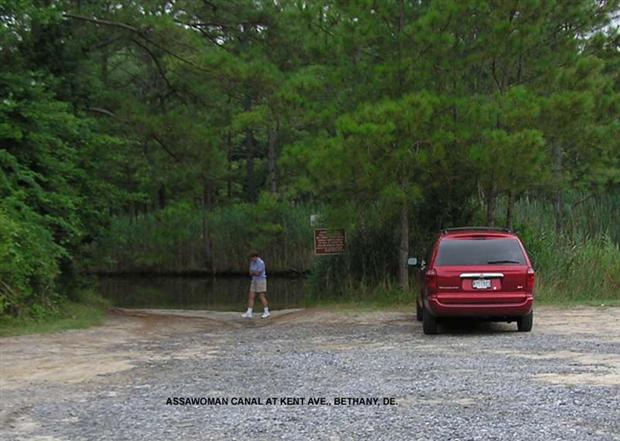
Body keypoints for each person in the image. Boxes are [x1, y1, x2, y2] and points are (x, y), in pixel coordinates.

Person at [242, 251, 270, 319]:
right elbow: (250, 272)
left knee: (261, 296)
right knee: (251, 296)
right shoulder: (252, 262)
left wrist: (253, 272)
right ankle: (249, 312)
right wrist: (254, 272)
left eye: (252, 258)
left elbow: (258, 273)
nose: (251, 259)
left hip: (261, 281)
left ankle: (266, 311)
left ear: (255, 257)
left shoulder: (261, 263)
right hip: (254, 280)